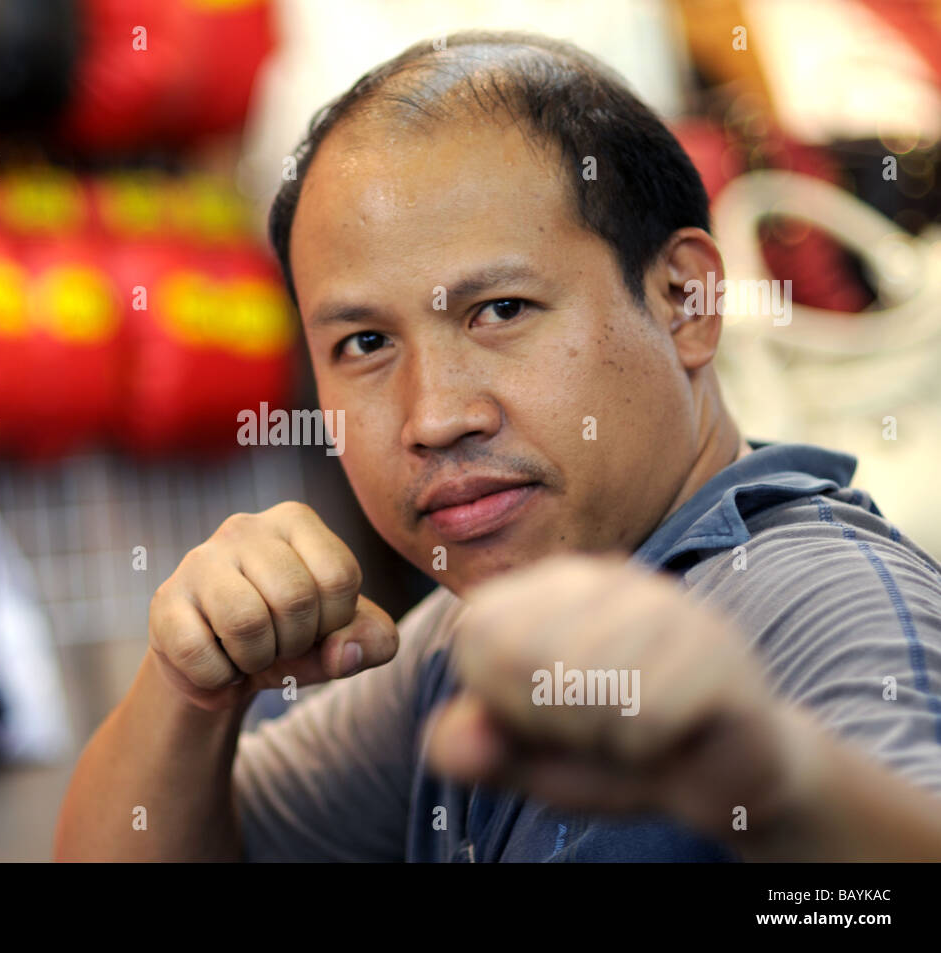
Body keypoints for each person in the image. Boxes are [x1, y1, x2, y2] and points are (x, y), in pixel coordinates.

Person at [54, 31, 941, 862]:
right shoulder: (465, 636)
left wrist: (781, 783)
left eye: (501, 311)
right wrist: (192, 687)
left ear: (684, 299)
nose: (433, 415)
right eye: (363, 343)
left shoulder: (819, 604)